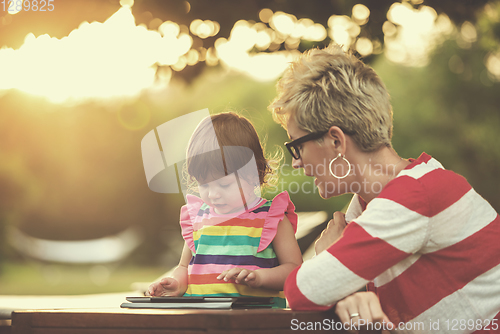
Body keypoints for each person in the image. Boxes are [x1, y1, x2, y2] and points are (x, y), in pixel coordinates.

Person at [268, 44, 500, 331]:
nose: (297, 164)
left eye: (297, 146)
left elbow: (300, 291)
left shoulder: (416, 196)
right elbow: (328, 292)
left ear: (336, 142)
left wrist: (329, 257)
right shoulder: (371, 206)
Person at [147, 112, 303, 308]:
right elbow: (184, 266)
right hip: (201, 319)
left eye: (224, 185)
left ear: (256, 173)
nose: (213, 194)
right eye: (204, 184)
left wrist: (260, 277)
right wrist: (176, 283)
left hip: (257, 321)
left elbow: (295, 270)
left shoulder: (271, 218)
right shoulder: (198, 218)